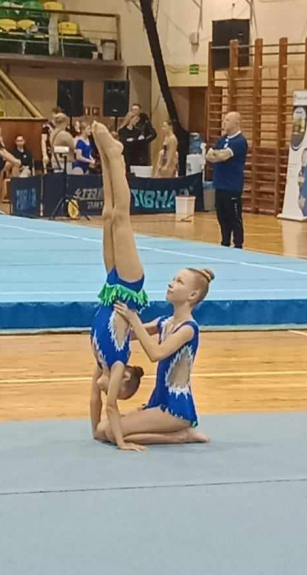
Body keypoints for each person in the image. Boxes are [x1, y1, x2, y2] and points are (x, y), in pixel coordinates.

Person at [96, 267, 214, 447]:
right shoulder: (165, 322)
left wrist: (133, 319)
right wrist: (108, 323)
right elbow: (129, 335)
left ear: (193, 295)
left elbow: (156, 353)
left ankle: (181, 436)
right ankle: (167, 429)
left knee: (112, 432)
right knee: (102, 428)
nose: (171, 284)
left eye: (179, 282)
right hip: (158, 401)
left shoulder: (188, 329)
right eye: (173, 279)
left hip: (175, 408)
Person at [88, 121, 148, 452]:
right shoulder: (118, 364)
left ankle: (104, 154)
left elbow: (96, 402)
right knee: (122, 218)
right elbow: (110, 407)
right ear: (123, 378)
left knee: (108, 215)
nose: (104, 388)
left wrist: (94, 432)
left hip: (112, 284)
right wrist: (122, 442)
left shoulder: (100, 362)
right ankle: (116, 156)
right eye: (115, 388)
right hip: (129, 285)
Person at [206, 111, 248, 250]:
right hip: (220, 184)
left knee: (234, 217)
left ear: (236, 123)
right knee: (222, 216)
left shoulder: (240, 141)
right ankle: (225, 242)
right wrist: (217, 155)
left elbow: (224, 156)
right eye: (224, 120)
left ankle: (238, 244)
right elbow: (209, 156)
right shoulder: (222, 140)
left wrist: (216, 154)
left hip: (232, 185)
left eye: (228, 120)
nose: (224, 122)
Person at [118, 103, 156, 170]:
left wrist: (140, 140)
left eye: (136, 109)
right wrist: (133, 140)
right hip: (126, 156)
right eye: (132, 109)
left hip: (137, 156)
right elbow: (124, 141)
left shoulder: (140, 128)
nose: (134, 111)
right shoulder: (122, 131)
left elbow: (140, 141)